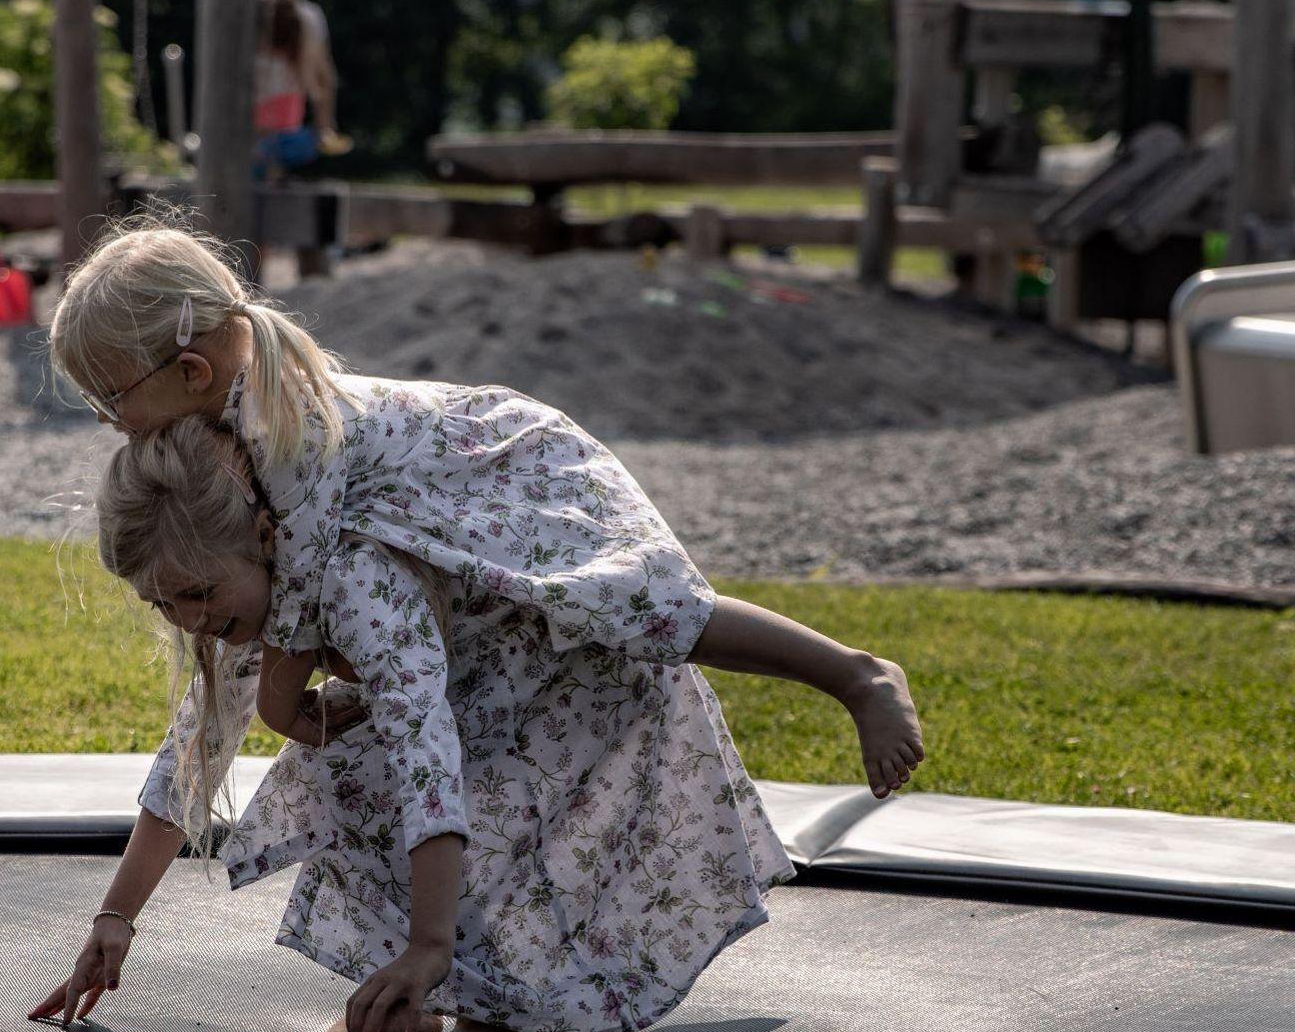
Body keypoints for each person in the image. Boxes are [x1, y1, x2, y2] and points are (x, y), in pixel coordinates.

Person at [46, 220, 925, 801]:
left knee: (643, 605)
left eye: (109, 400)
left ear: (191, 373)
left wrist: (279, 706)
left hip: (518, 472)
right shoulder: (234, 426)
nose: (110, 424)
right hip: (475, 489)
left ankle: (854, 674)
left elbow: (300, 588)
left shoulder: (285, 431)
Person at [29, 414, 791, 1032]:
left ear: (264, 540)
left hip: (581, 682)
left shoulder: (355, 580)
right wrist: (115, 917)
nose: (188, 618)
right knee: (345, 767)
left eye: (197, 593)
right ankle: (411, 1008)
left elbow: (426, 760)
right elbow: (192, 758)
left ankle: (502, 1019)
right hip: (485, 690)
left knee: (434, 788)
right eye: (161, 603)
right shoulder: (258, 596)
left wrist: (430, 945)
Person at [253, 0, 349, 182]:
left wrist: (325, 126)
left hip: (284, 113)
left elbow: (324, 77)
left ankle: (274, 170)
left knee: (297, 145)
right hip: (254, 117)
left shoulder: (309, 20)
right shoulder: (243, 21)